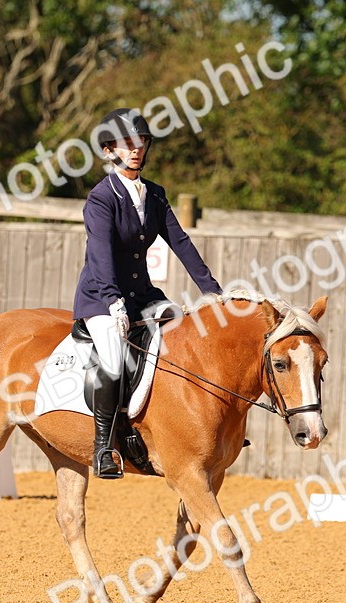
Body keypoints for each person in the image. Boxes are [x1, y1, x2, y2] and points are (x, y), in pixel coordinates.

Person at [72, 108, 224, 479]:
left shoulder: (154, 195)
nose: (136, 149)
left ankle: (187, 429)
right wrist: (112, 300)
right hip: (101, 296)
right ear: (110, 151)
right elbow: (101, 253)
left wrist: (213, 292)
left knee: (186, 334)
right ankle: (104, 446)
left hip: (143, 294)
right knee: (112, 356)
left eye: (142, 142)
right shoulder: (101, 198)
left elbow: (181, 243)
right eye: (127, 144)